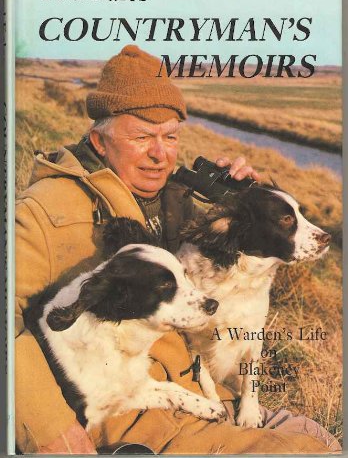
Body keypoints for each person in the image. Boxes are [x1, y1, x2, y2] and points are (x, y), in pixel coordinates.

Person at [15, 45, 340, 454]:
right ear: (99, 141)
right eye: (141, 137)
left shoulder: (174, 199)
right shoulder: (47, 207)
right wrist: (47, 426)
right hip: (128, 420)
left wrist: (250, 206)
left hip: (192, 393)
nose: (160, 154)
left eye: (170, 137)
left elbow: (215, 281)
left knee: (319, 437)